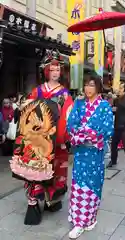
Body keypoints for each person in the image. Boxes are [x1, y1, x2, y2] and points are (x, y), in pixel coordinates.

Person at [10, 50, 73, 225]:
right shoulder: (36, 91)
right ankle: (33, 204)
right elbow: (27, 113)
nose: (55, 72)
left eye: (58, 69)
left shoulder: (65, 94)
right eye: (52, 69)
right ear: (46, 71)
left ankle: (51, 201)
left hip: (56, 140)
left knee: (55, 172)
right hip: (36, 139)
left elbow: (69, 116)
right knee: (33, 170)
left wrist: (63, 137)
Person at [67, 73, 113, 239]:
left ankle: (91, 217)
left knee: (94, 186)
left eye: (92, 85)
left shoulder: (104, 106)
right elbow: (71, 124)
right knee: (79, 186)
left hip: (95, 153)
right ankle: (79, 222)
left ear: (98, 87)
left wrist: (88, 133)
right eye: (86, 84)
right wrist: (83, 133)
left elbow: (107, 129)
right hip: (81, 153)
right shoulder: (78, 104)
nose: (88, 88)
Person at [107, 82, 125, 174]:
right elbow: (116, 109)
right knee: (113, 144)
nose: (119, 90)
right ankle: (113, 160)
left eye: (121, 89)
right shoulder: (118, 99)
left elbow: (124, 105)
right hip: (118, 125)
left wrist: (117, 98)